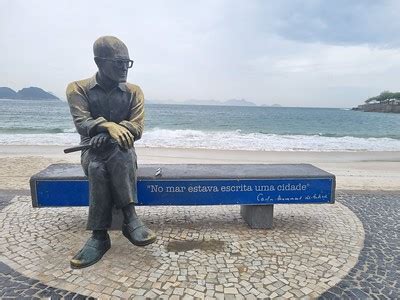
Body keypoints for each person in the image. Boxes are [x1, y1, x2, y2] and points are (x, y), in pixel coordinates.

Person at [66, 36, 156, 269]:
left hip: (124, 154)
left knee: (117, 152)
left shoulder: (134, 91)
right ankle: (128, 221)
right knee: (96, 165)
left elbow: (136, 128)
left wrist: (107, 134)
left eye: (127, 62)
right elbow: (81, 123)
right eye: (118, 62)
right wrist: (108, 125)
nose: (124, 68)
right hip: (91, 152)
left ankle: (100, 235)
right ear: (99, 62)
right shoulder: (77, 89)